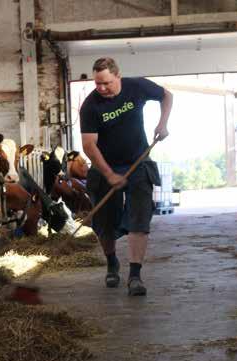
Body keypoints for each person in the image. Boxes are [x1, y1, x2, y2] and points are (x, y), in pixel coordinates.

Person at [79, 57, 173, 296]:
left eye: (106, 83)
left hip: (138, 163)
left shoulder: (136, 87)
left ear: (118, 76)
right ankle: (112, 263)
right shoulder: (91, 106)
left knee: (139, 219)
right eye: (97, 83)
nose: (101, 88)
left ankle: (135, 275)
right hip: (104, 166)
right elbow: (89, 146)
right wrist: (109, 174)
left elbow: (166, 96)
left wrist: (163, 124)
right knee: (103, 222)